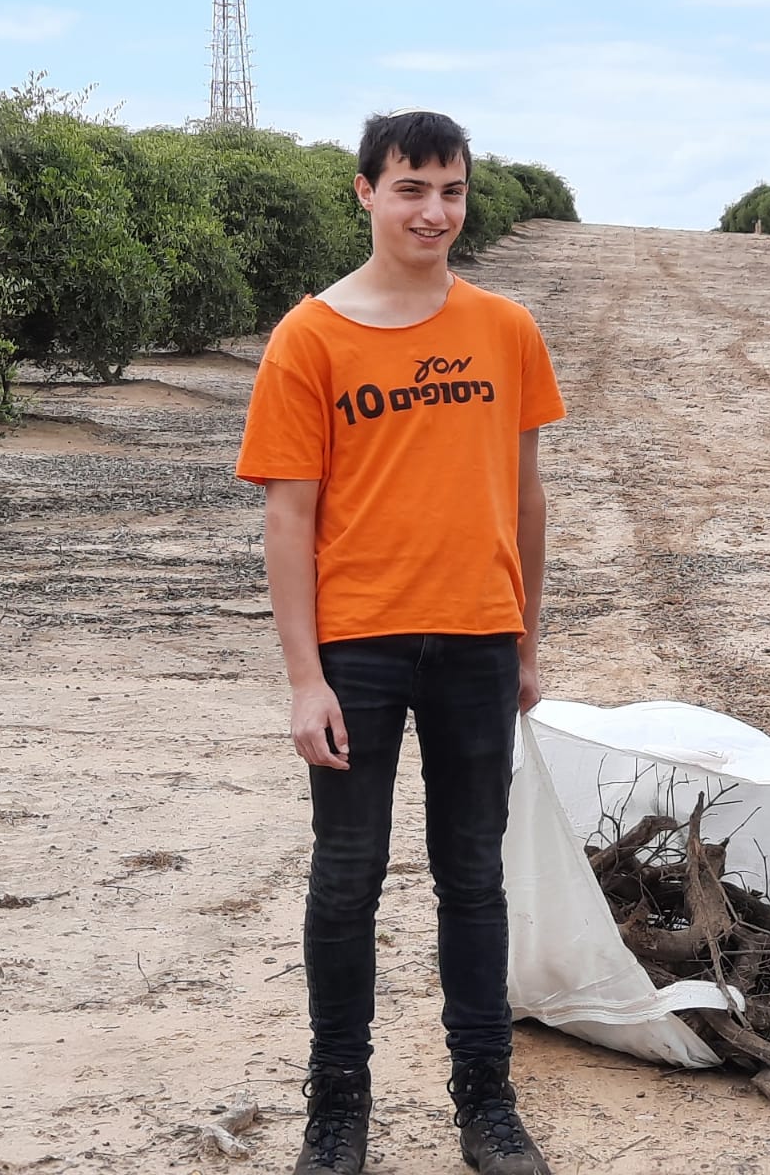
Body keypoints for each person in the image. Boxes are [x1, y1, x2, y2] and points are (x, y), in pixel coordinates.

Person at [236, 108, 563, 1175]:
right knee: (347, 879)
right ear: (366, 192)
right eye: (411, 188)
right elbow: (288, 515)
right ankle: (337, 1109)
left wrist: (524, 640)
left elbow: (526, 495)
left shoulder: (505, 328)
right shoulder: (310, 336)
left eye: (451, 190)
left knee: (473, 878)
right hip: (358, 650)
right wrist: (304, 679)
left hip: (477, 640)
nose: (433, 211)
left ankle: (487, 1102)